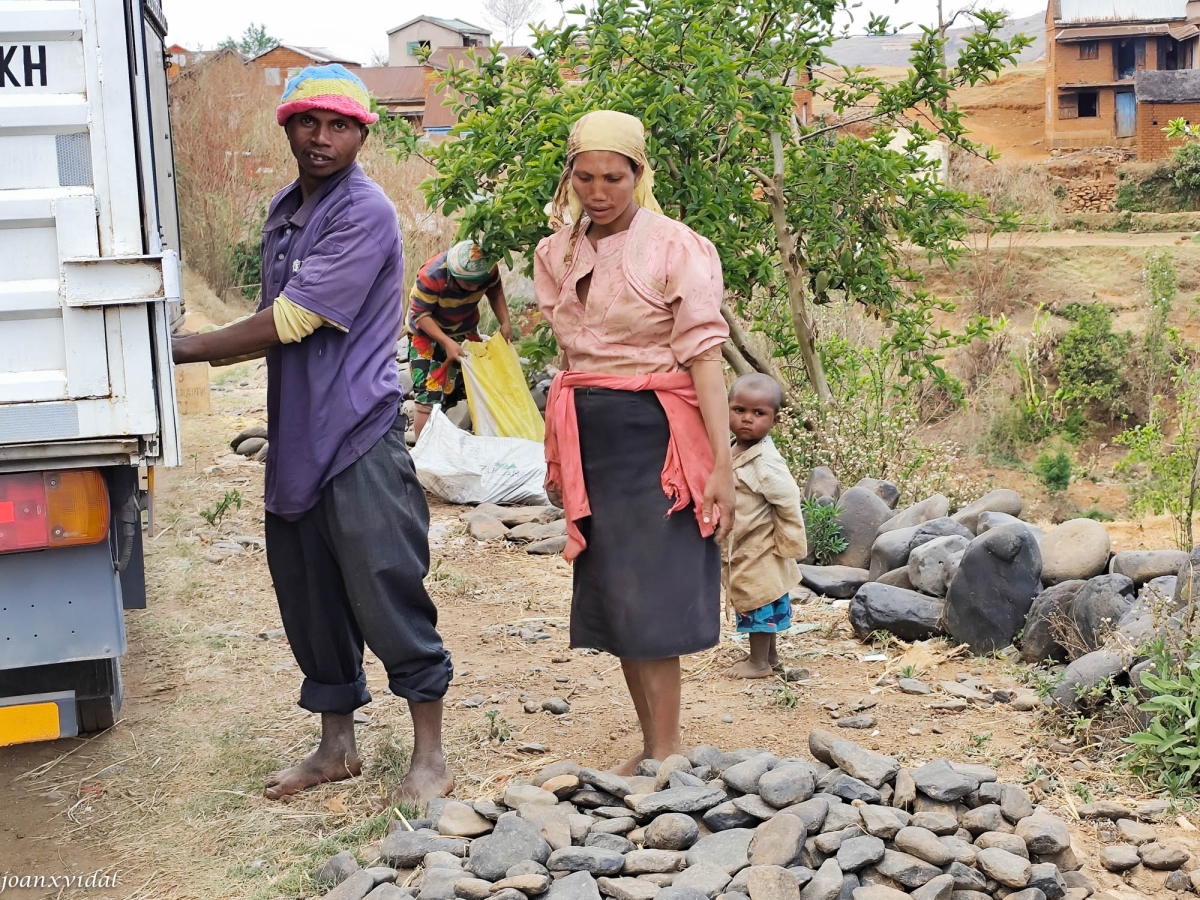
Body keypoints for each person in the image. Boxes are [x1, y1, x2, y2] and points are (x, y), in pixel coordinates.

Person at [172, 64, 454, 804]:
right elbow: (273, 322)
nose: (320, 138)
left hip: (357, 433)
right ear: (287, 128)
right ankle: (336, 747)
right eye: (307, 122)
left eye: (338, 125)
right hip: (298, 435)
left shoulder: (366, 211)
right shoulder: (286, 208)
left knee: (386, 586)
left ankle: (429, 756)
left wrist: (177, 347)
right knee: (309, 593)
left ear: (363, 133)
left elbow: (294, 319)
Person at [536, 110, 734, 774]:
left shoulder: (677, 247)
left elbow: (706, 359)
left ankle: (669, 748)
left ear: (638, 175)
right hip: (590, 431)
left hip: (657, 435)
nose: (599, 191)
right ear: (570, 177)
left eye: (614, 177)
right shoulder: (557, 251)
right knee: (618, 592)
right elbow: (569, 352)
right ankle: (651, 744)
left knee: (654, 591)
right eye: (585, 177)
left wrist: (721, 467)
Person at [722, 374, 808, 679]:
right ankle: (769, 656)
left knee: (757, 599)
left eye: (759, 414)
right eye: (739, 410)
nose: (747, 419)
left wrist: (790, 542)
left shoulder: (765, 461)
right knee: (762, 599)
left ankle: (758, 663)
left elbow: (788, 499)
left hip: (760, 546)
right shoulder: (733, 448)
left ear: (775, 419)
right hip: (743, 544)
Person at [407, 242, 513, 439]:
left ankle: (471, 442)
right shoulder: (431, 275)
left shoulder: (489, 269)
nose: (474, 288)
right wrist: (446, 342)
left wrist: (505, 321)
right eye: (467, 283)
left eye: (477, 283)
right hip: (427, 333)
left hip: (464, 328)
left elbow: (496, 293)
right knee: (427, 396)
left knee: (474, 387)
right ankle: (424, 453)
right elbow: (421, 315)